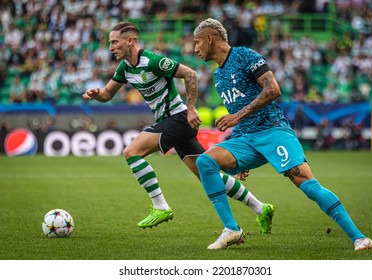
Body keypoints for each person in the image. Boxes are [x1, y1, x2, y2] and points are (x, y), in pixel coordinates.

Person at [193, 18, 372, 250]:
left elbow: (273, 90)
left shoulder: (245, 56)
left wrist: (237, 116)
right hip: (246, 139)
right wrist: (239, 141)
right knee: (205, 162)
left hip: (273, 131)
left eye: (197, 42)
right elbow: (238, 112)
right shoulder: (219, 77)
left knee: (306, 183)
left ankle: (360, 238)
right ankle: (232, 229)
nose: (195, 49)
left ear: (210, 38)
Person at [82, 22, 275, 232]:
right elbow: (107, 94)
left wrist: (191, 108)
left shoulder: (153, 61)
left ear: (130, 41)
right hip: (173, 122)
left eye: (114, 42)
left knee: (132, 151)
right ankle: (261, 208)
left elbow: (190, 74)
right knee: (208, 176)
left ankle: (160, 206)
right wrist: (96, 94)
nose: (110, 47)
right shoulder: (126, 68)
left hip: (179, 119)